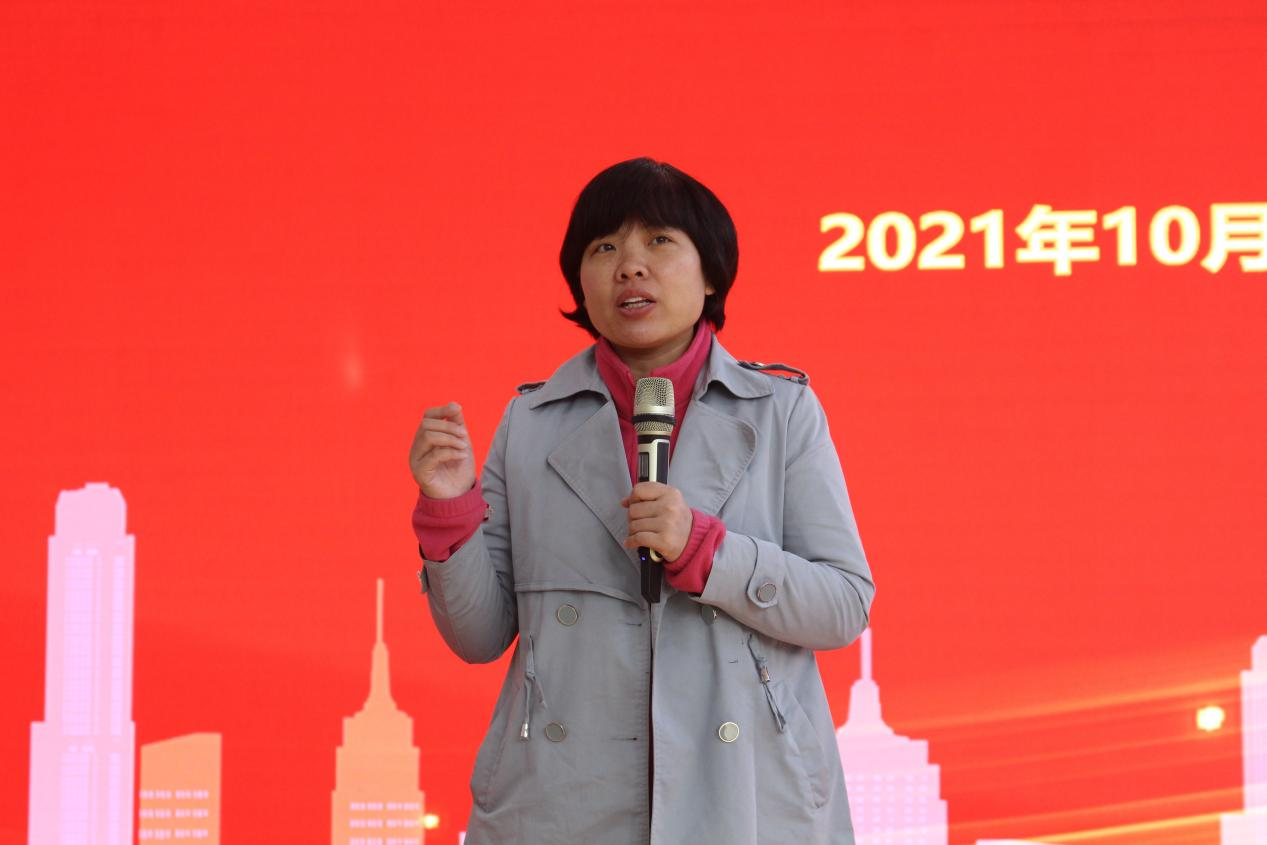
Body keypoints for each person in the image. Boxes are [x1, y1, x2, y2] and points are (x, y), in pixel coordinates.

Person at [408, 157, 875, 844]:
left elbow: (842, 605)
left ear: (710, 272)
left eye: (659, 241)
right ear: (580, 282)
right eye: (604, 249)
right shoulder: (530, 422)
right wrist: (449, 511)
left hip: (746, 797)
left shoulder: (781, 411)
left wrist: (708, 552)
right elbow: (478, 636)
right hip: (563, 801)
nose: (630, 266)